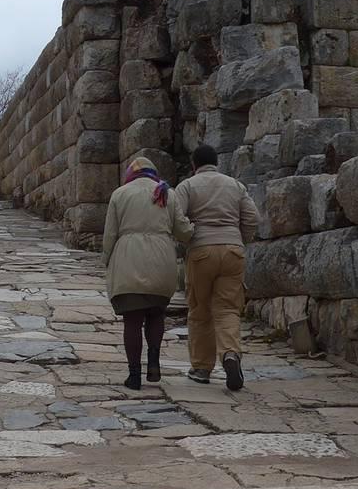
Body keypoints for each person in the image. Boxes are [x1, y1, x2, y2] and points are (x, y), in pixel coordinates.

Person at [172, 143, 259, 391]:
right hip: (233, 250)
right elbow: (252, 217)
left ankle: (201, 368)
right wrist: (240, 239)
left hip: (201, 251)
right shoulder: (235, 185)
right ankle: (230, 354)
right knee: (228, 308)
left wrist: (187, 239)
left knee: (200, 309)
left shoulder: (187, 186)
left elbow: (177, 218)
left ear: (194, 165)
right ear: (216, 163)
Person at [102, 156, 179, 389]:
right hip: (161, 260)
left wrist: (107, 260)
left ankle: (134, 375)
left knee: (132, 320)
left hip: (129, 259)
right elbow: (182, 228)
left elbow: (110, 234)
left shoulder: (120, 194)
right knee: (156, 313)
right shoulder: (167, 193)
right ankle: (153, 361)